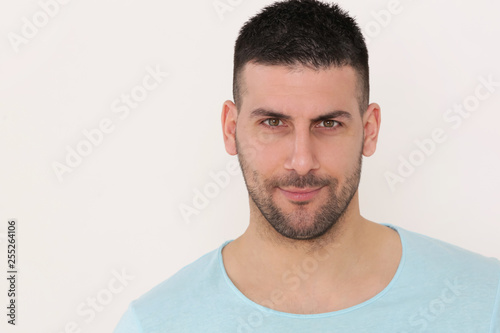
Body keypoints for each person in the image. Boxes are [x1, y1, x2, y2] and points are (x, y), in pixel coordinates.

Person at [113, 0, 500, 331]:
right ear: (231, 129)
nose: (302, 161)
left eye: (328, 124)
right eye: (273, 123)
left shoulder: (487, 301)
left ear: (369, 130)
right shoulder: (155, 323)